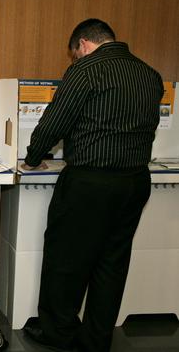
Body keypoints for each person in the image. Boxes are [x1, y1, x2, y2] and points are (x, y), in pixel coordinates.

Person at [21, 19, 164, 352]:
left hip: (89, 182)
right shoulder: (150, 74)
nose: (75, 59)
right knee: (111, 264)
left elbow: (54, 121)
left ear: (82, 45)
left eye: (74, 54)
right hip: (135, 182)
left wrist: (32, 157)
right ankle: (97, 338)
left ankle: (57, 334)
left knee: (66, 261)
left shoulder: (86, 70)